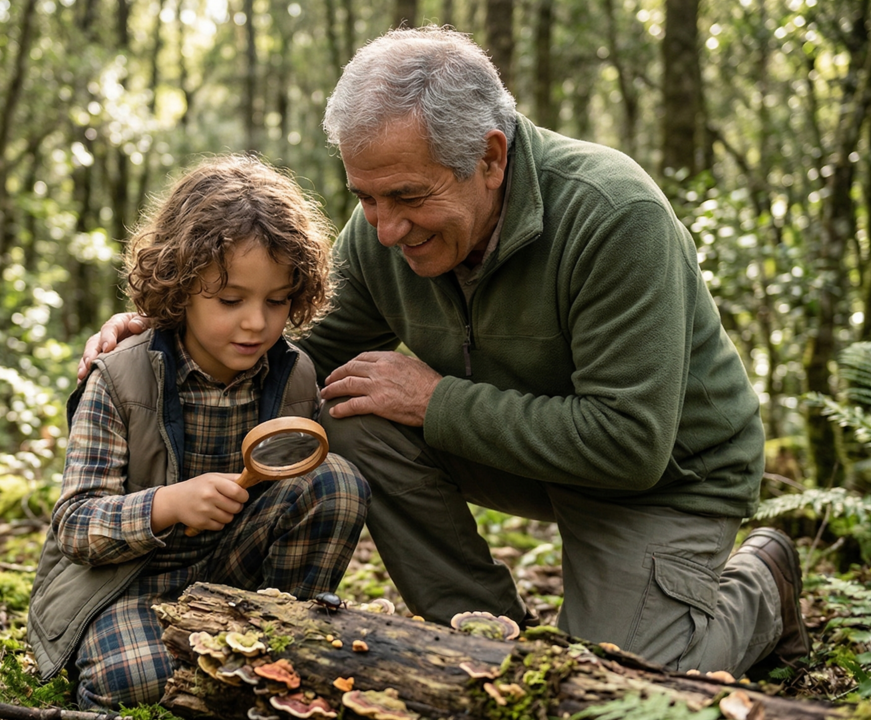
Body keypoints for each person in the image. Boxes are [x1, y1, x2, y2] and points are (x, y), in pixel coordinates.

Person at [80, 27, 809, 678]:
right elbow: (294, 366)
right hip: (524, 446)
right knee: (350, 408)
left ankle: (761, 591)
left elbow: (631, 444)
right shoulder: (382, 234)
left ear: (490, 158)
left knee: (624, 688)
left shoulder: (614, 217)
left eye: (407, 197)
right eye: (365, 197)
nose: (385, 228)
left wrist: (434, 401)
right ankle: (487, 641)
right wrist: (166, 339)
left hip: (664, 475)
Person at [30, 155, 370, 710]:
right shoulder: (120, 377)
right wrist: (168, 503)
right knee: (138, 678)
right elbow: (75, 525)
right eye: (231, 300)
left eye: (277, 300)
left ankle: (281, 638)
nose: (256, 322)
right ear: (181, 285)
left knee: (337, 482)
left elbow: (296, 494)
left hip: (234, 575)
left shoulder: (294, 375)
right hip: (125, 585)